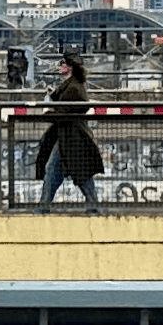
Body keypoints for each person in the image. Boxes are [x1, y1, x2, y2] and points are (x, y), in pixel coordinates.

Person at [34, 54, 104, 210]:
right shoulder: (72, 85)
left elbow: (66, 110)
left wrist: (48, 114)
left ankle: (44, 206)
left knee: (64, 171)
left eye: (62, 64)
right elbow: (66, 103)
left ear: (69, 67)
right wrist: (53, 94)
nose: (60, 67)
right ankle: (92, 206)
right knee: (62, 171)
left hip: (71, 136)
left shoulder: (73, 87)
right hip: (69, 136)